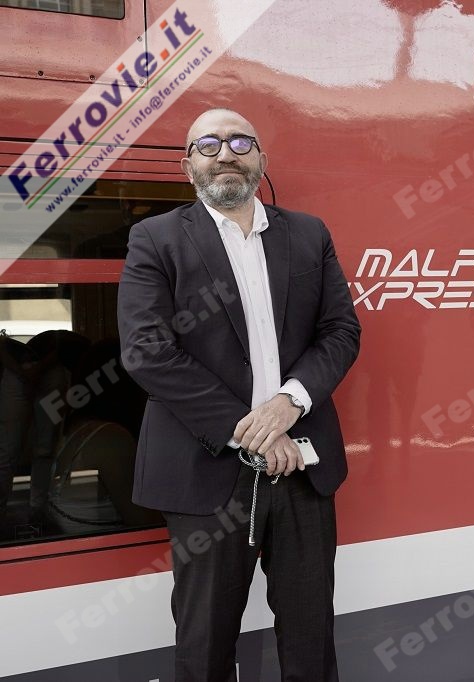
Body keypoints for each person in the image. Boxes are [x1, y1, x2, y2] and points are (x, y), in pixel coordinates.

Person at [118, 108, 361, 682]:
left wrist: (289, 403)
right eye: (208, 145)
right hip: (207, 475)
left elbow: (341, 331)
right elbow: (147, 350)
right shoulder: (155, 239)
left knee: (311, 642)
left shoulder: (309, 234)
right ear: (188, 166)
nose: (225, 153)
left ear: (261, 159)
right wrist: (251, 430)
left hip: (302, 471)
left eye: (239, 142)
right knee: (204, 646)